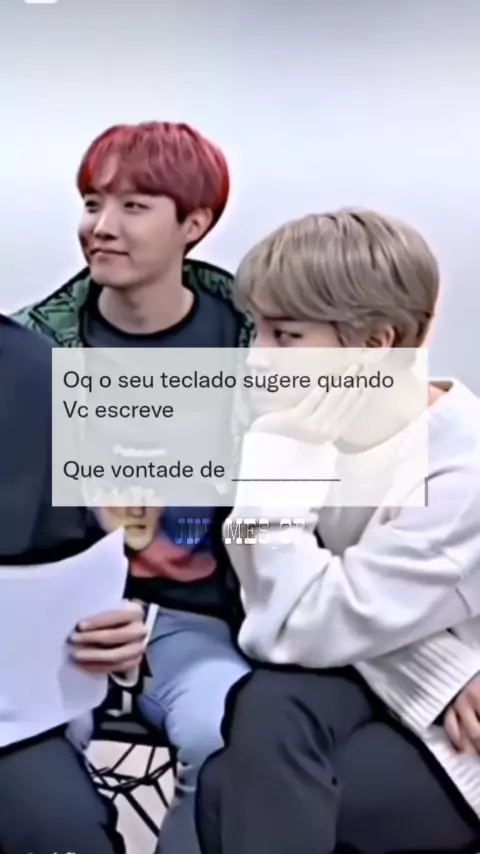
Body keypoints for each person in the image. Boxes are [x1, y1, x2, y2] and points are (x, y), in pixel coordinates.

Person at [196, 209, 480, 854]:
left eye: (286, 335)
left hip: (461, 740)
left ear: (375, 344)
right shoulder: (304, 430)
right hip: (378, 685)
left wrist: (276, 464)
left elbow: (291, 626)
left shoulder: (463, 471)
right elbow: (279, 612)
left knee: (226, 788)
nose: (255, 359)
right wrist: (442, 667)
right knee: (268, 704)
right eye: (257, 329)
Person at [12, 120, 253, 854]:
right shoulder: (32, 352)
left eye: (134, 206)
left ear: (194, 225)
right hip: (57, 630)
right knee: (34, 765)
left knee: (222, 738)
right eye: (92, 204)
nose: (102, 227)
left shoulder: (259, 345)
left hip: (199, 623)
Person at [0, 313, 147, 854]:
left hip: (13, 718)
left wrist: (115, 632)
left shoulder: (37, 374)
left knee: (63, 830)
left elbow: (75, 560)